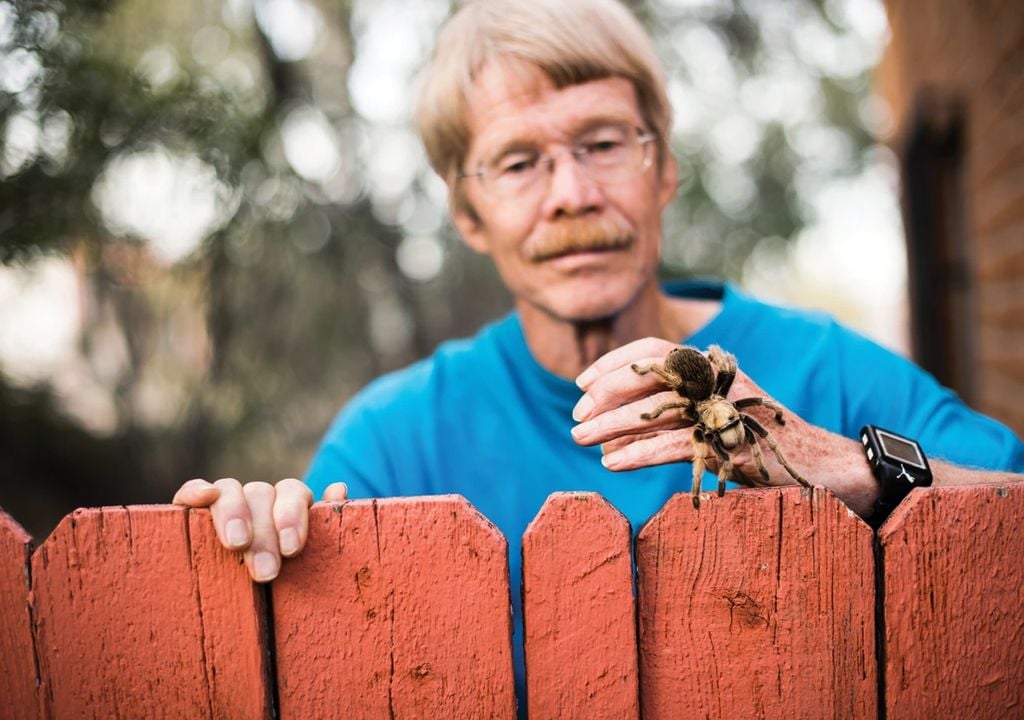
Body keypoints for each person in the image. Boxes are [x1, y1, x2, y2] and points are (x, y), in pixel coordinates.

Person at [174, 0, 1024, 704]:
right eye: (518, 162)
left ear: (664, 171)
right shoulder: (398, 437)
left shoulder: (823, 369)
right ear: (468, 214)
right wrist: (251, 540)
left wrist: (857, 466)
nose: (573, 195)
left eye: (605, 144)